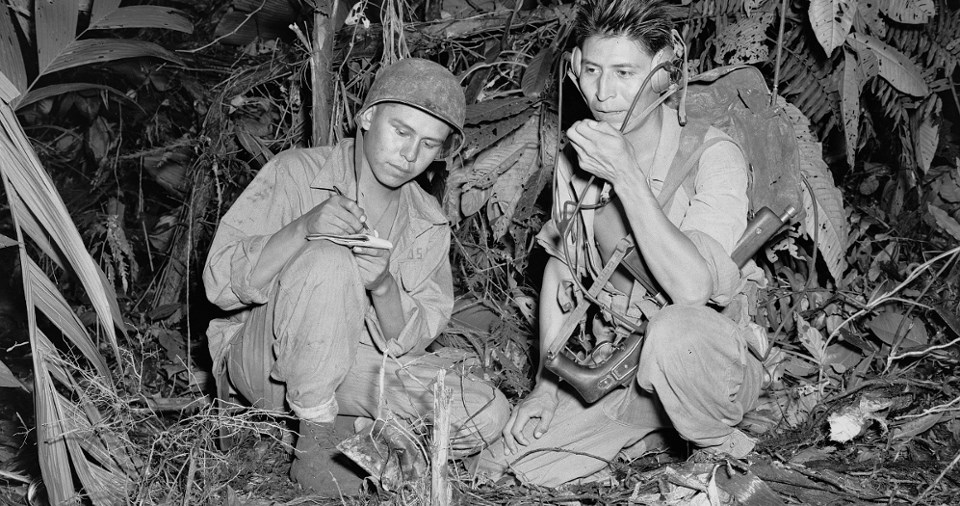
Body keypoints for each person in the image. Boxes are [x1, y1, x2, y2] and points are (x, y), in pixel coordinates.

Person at [474, 0, 765, 486]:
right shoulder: (577, 160)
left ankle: (723, 454)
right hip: (623, 363)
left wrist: (627, 176)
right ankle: (655, 433)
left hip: (708, 365)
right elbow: (561, 270)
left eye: (624, 72)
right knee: (521, 468)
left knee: (677, 332)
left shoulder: (712, 157)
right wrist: (546, 389)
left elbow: (693, 290)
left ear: (663, 73)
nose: (603, 93)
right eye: (591, 71)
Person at [203, 58, 509, 495]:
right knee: (329, 259)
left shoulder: (427, 221)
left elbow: (412, 341)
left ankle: (357, 432)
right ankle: (314, 448)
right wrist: (303, 228)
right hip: (265, 362)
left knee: (485, 412)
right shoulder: (295, 174)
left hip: (352, 369)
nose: (409, 155)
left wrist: (383, 286)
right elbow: (219, 285)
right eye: (401, 132)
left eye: (428, 144)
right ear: (367, 116)